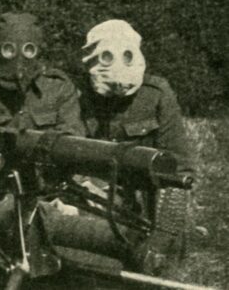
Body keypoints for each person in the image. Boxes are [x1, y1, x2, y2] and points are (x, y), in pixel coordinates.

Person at [78, 19, 196, 273]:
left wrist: (162, 238)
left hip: (150, 202)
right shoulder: (79, 94)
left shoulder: (157, 94)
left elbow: (180, 169)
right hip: (96, 199)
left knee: (157, 271)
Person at [0, 12, 85, 136]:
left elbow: (71, 141)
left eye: (29, 50)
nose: (19, 61)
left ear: (38, 52)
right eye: (8, 50)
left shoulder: (57, 89)